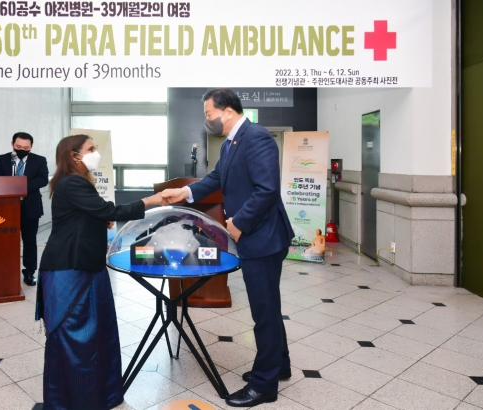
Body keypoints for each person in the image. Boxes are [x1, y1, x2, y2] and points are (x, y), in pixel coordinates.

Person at [161, 89, 295, 407]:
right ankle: (280, 365)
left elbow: (267, 190)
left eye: (209, 114)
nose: (207, 120)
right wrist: (185, 193)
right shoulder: (230, 143)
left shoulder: (257, 137)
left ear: (228, 111)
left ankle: (264, 385)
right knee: (268, 306)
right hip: (256, 237)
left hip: (264, 238)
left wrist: (238, 223)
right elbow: (217, 178)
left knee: (264, 311)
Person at [36, 134, 165, 410]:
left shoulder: (75, 181)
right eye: (91, 149)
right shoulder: (72, 182)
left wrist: (100, 220)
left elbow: (87, 215)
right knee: (75, 336)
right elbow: (108, 209)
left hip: (86, 266)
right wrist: (151, 200)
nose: (96, 153)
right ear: (74, 156)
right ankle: (73, 401)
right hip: (69, 269)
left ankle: (98, 396)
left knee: (97, 334)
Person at [0, 132, 49, 286]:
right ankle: (6, 270)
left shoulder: (39, 160)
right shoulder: (2, 159)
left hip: (30, 207)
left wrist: (21, 185)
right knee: (7, 240)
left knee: (30, 241)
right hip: (7, 207)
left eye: (26, 148)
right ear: (12, 144)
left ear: (31, 147)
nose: (22, 150)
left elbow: (43, 179)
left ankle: (29, 272)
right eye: (18, 147)